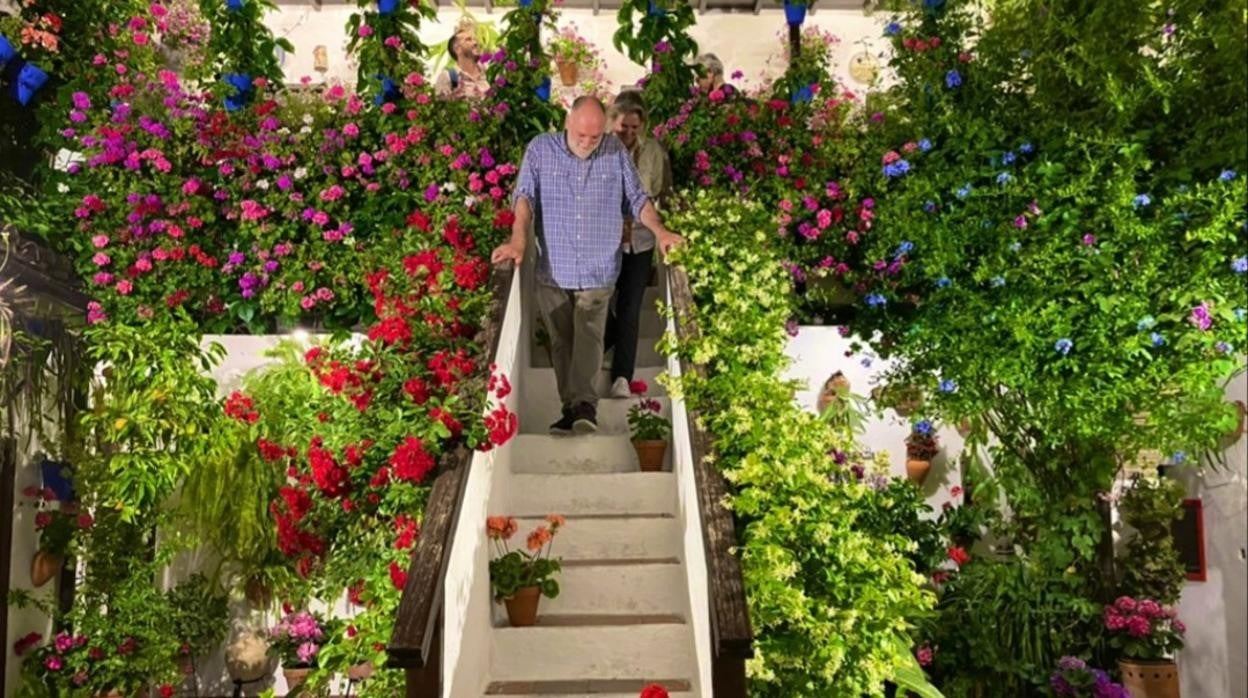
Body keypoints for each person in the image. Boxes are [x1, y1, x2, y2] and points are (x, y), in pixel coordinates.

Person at [491, 97, 683, 435]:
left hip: (598, 266)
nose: (588, 143)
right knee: (562, 340)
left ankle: (585, 406)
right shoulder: (540, 149)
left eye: (594, 137)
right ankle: (572, 407)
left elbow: (638, 198)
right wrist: (518, 239)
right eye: (582, 135)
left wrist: (661, 231)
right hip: (554, 266)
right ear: (568, 122)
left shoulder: (613, 151)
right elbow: (524, 198)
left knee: (590, 334)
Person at [603, 96, 672, 398]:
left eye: (634, 127)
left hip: (641, 239)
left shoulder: (653, 151)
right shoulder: (600, 148)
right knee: (600, 300)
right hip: (605, 238)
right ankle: (608, 343)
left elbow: (657, 189)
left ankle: (621, 376)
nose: (628, 133)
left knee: (630, 306)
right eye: (622, 128)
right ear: (612, 123)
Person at [434, 24, 489, 100]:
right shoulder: (448, 77)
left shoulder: (489, 72)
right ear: (457, 49)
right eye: (468, 40)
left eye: (475, 39)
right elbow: (440, 109)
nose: (475, 43)